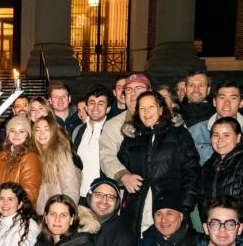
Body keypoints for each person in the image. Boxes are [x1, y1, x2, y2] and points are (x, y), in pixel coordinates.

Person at [117, 91, 200, 236]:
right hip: (136, 211)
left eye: (151, 107)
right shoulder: (132, 137)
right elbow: (121, 165)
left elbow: (192, 171)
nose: (146, 112)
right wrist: (123, 177)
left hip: (168, 212)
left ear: (161, 109)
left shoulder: (178, 134)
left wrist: (184, 207)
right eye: (142, 108)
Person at [0, 116, 42, 220]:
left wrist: (14, 213)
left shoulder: (30, 157)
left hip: (18, 216)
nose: (16, 134)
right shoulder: (3, 156)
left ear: (28, 135)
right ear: (7, 134)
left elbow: (30, 193)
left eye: (21, 131)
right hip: (1, 214)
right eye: (12, 130)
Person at [99, 73, 151, 187]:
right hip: (129, 193)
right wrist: (123, 176)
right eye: (128, 89)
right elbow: (106, 155)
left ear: (149, 92)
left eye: (139, 88)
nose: (133, 93)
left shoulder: (165, 120)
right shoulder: (113, 125)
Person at [33, 114, 81, 214]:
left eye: (46, 129)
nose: (41, 133)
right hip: (43, 213)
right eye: (38, 129)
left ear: (53, 132)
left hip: (57, 212)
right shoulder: (38, 154)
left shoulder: (60, 152)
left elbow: (70, 188)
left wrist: (65, 213)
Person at [72, 85, 112, 203]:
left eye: (101, 103)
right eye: (92, 102)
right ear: (86, 106)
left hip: (102, 197)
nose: (95, 107)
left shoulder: (113, 131)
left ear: (108, 108)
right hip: (79, 195)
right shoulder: (78, 130)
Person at [188, 80, 243, 165]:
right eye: (222, 97)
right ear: (214, 102)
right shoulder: (195, 132)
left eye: (233, 98)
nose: (227, 103)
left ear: (241, 103)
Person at [201, 117, 243, 218]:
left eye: (226, 135)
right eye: (216, 135)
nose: (220, 140)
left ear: (238, 138)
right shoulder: (207, 167)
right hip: (213, 228)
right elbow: (201, 202)